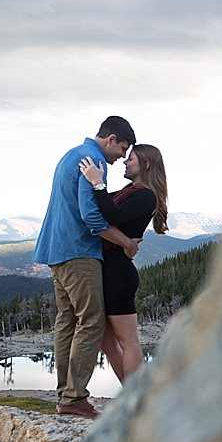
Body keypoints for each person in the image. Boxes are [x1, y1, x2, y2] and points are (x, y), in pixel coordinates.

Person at [32, 116, 141, 418]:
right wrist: (126, 243)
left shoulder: (72, 155)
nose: (122, 156)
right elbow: (91, 216)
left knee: (67, 320)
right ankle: (74, 397)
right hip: (79, 251)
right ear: (110, 139)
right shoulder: (93, 161)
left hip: (57, 250)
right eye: (122, 148)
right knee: (92, 320)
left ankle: (66, 394)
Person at [78, 144, 168, 384]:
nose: (125, 162)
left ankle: (138, 401)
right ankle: (130, 393)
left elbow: (114, 215)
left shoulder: (145, 194)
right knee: (107, 341)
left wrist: (97, 183)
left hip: (119, 274)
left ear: (145, 165)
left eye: (132, 158)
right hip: (110, 270)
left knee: (129, 341)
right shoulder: (131, 191)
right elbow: (103, 204)